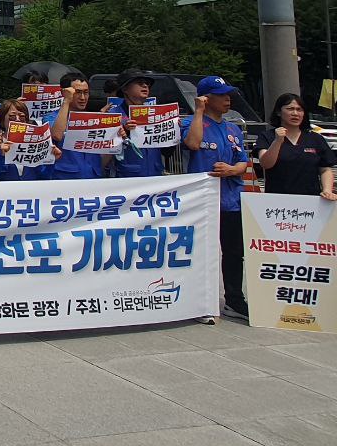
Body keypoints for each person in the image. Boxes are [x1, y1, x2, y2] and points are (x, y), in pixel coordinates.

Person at [182, 76, 252, 320]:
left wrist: (232, 170)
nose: (227, 99)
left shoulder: (233, 129)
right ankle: (199, 302)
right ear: (206, 98)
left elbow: (243, 162)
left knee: (233, 252)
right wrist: (198, 111)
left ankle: (234, 299)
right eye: (221, 95)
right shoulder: (193, 122)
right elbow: (192, 144)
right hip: (203, 202)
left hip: (231, 199)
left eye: (228, 94)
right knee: (203, 253)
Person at [256, 94, 337, 198]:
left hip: (311, 199)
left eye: (299, 110)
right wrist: (277, 141)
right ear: (278, 112)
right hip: (277, 199)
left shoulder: (315, 138)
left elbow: (325, 169)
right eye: (290, 109)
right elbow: (266, 164)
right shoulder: (267, 136)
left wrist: (327, 190)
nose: (295, 113)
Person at [109, 68, 166, 177]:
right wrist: (124, 132)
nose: (145, 86)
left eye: (147, 84)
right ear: (125, 89)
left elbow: (167, 151)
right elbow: (106, 150)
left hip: (155, 175)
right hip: (128, 178)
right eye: (140, 83)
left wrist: (173, 130)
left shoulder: (155, 114)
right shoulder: (113, 115)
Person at [50, 71, 105, 180]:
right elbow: (57, 135)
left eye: (86, 92)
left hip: (93, 178)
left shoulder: (94, 120)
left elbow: (103, 158)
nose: (83, 98)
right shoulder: (51, 117)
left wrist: (116, 138)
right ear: (65, 93)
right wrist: (66, 101)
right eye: (77, 92)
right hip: (65, 179)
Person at [0, 98, 57, 181]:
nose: (17, 119)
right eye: (12, 116)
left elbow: (44, 177)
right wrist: (1, 156)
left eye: (22, 116)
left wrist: (52, 160)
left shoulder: (35, 143)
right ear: (2, 120)